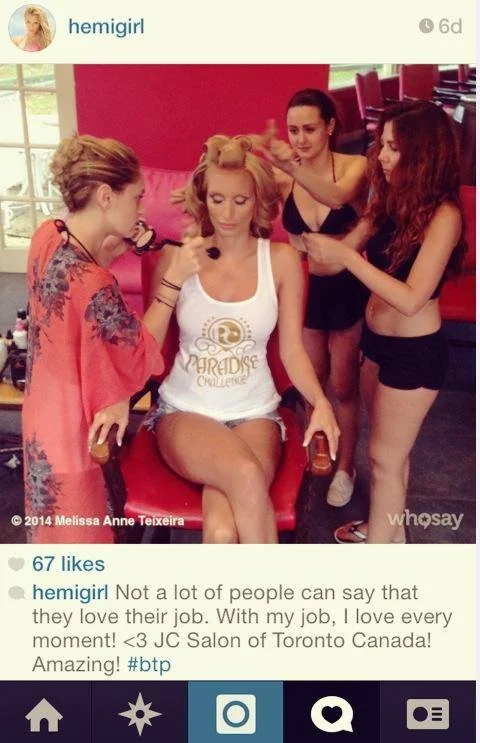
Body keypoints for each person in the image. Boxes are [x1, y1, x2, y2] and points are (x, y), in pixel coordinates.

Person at [147, 134, 340, 544]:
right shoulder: (177, 258)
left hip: (255, 414)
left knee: (221, 533)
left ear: (258, 202)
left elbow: (292, 350)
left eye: (240, 200)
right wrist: (173, 279)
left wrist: (320, 402)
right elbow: (146, 346)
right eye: (217, 199)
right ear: (203, 199)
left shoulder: (282, 261)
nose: (228, 213)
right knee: (247, 475)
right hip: (185, 411)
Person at [22, 134, 203, 543]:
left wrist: (121, 243)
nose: (141, 209)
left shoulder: (47, 235)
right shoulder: (95, 284)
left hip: (42, 415)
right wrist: (173, 280)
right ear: (106, 196)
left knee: (51, 536)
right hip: (75, 430)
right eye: (136, 198)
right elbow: (138, 352)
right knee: (81, 541)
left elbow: (81, 282)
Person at [301, 100, 466, 544]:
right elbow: (335, 259)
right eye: (382, 145)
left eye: (393, 147)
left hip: (414, 354)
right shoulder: (390, 201)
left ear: (423, 153)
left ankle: (381, 557)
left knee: (384, 459)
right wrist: (301, 250)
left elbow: (411, 299)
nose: (382, 157)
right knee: (391, 453)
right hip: (376, 342)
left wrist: (348, 257)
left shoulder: (445, 216)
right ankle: (391, 532)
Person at [251, 89, 370, 508]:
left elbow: (335, 197)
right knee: (310, 382)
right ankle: (313, 455)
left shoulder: (355, 166)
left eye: (310, 129)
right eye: (293, 130)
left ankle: (346, 467)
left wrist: (290, 166)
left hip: (348, 289)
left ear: (330, 127)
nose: (300, 139)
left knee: (344, 386)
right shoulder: (284, 176)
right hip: (307, 290)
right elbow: (245, 197)